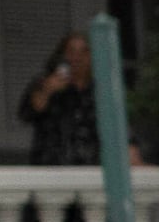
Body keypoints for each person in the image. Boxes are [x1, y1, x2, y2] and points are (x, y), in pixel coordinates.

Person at [18, 30, 99, 167]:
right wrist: (47, 91)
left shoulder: (99, 91)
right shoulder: (44, 82)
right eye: (71, 51)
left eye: (84, 52)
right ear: (62, 55)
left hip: (90, 169)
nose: (77, 57)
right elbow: (26, 114)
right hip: (51, 168)